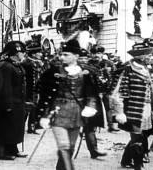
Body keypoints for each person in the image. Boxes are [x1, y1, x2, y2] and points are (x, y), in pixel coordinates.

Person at [38, 39, 98, 170]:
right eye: (61, 54)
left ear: (76, 56)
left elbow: (92, 93)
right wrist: (44, 115)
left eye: (66, 55)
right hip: (58, 112)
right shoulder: (52, 72)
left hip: (77, 113)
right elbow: (44, 94)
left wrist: (90, 106)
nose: (61, 57)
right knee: (64, 146)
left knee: (70, 147)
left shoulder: (87, 73)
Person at [115, 42, 153, 170]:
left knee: (141, 135)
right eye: (149, 55)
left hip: (147, 109)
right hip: (132, 110)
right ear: (141, 56)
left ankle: (125, 160)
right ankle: (138, 166)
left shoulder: (150, 71)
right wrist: (120, 111)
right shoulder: (127, 71)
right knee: (137, 137)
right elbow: (119, 92)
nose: (151, 58)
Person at [0, 41, 28, 160]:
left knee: (15, 126)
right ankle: (2, 152)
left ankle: (13, 149)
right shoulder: (5, 66)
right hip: (7, 101)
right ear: (15, 53)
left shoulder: (16, 65)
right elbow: (4, 87)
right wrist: (7, 104)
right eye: (21, 52)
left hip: (17, 101)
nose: (23, 54)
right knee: (5, 127)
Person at [77, 49, 107, 159]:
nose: (83, 61)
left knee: (89, 126)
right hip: (77, 102)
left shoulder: (91, 69)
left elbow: (100, 83)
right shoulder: (72, 70)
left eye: (85, 58)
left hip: (88, 101)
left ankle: (94, 150)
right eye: (81, 58)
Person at [89, 45, 119, 132]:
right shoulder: (88, 64)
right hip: (93, 90)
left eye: (98, 53)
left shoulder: (109, 63)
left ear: (102, 54)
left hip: (107, 90)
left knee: (109, 108)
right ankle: (93, 126)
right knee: (94, 108)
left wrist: (113, 88)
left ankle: (111, 126)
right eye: (94, 53)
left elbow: (116, 75)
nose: (96, 55)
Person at [24, 39, 45, 134]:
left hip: (37, 90)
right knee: (26, 109)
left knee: (34, 108)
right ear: (33, 54)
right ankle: (19, 126)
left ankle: (32, 127)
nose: (41, 54)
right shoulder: (27, 63)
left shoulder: (39, 63)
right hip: (28, 89)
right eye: (39, 52)